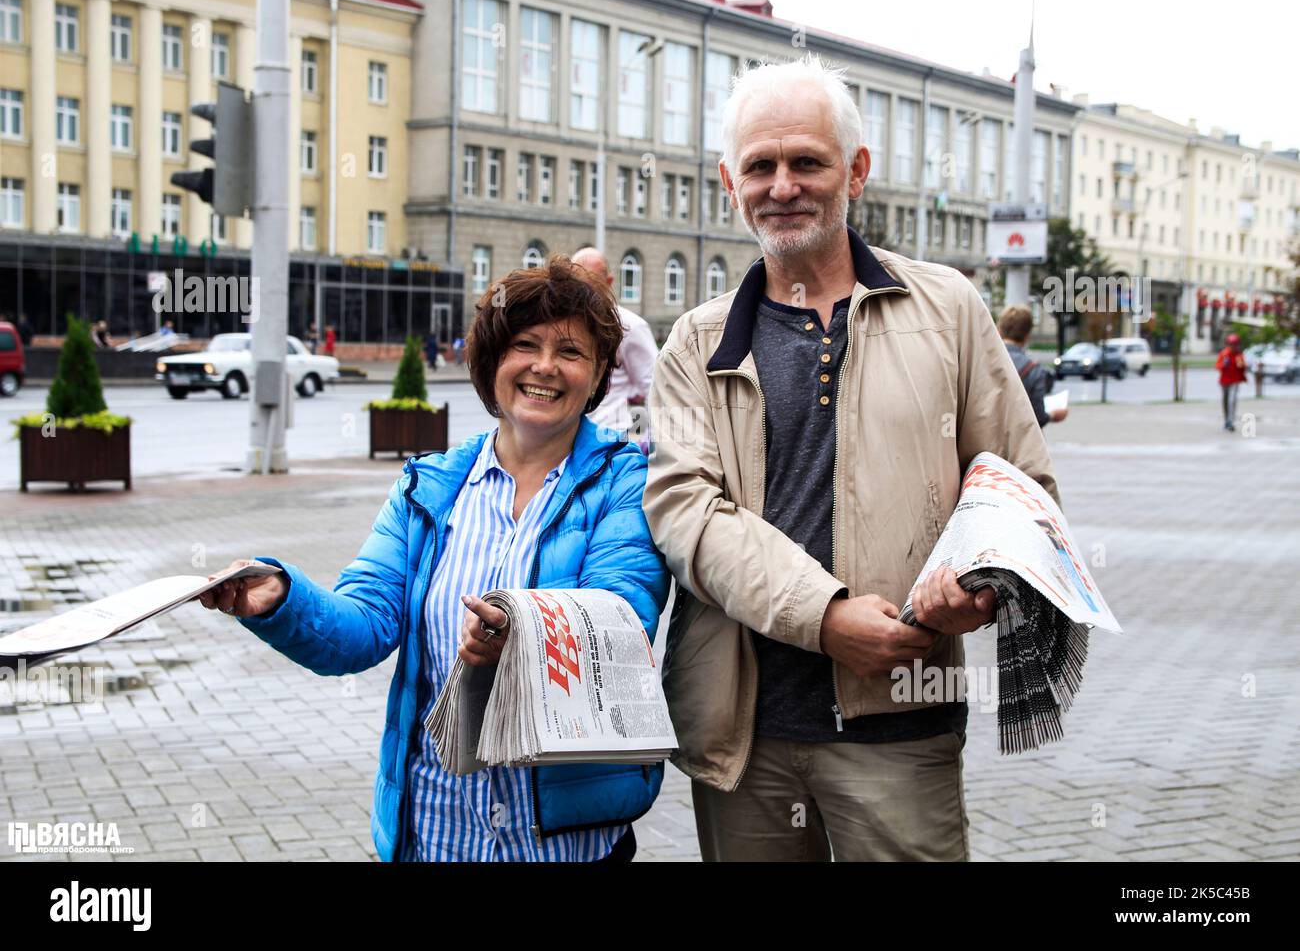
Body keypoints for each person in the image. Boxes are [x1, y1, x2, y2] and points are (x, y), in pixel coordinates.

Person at [642, 56, 1058, 862]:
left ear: (856, 172)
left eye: (807, 161)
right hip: (743, 731)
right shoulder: (696, 341)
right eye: (760, 165)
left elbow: (1019, 485)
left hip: (902, 716)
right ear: (732, 181)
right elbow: (684, 512)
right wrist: (826, 619)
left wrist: (979, 585)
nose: (783, 185)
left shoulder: (947, 311)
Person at [199, 257, 671, 862]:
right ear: (491, 361)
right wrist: (281, 599)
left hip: (563, 839)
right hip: (436, 827)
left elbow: (620, 615)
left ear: (601, 371)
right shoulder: (429, 487)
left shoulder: (624, 481)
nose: (545, 367)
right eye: (525, 344)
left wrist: (521, 636)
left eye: (571, 352)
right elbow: (361, 628)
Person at [571, 247, 657, 441]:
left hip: (612, 436)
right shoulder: (564, 325)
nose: (582, 292)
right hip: (568, 437)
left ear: (608, 283)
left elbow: (654, 386)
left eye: (590, 283)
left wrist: (643, 439)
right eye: (575, 283)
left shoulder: (630, 326)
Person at [998, 304, 1067, 427]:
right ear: (1027, 335)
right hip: (1017, 440)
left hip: (981, 440)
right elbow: (1038, 417)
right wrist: (1053, 415)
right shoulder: (1033, 369)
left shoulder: (983, 359)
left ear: (1000, 329)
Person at [1216, 332, 1247, 431]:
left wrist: (1241, 365)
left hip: (1235, 381)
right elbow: (1218, 366)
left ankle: (1231, 421)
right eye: (1231, 344)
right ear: (1228, 345)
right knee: (1225, 401)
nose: (1234, 346)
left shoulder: (1239, 355)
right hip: (1224, 381)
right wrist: (1223, 365)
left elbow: (1242, 367)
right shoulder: (1224, 354)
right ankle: (1226, 420)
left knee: (1232, 400)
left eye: (1235, 344)